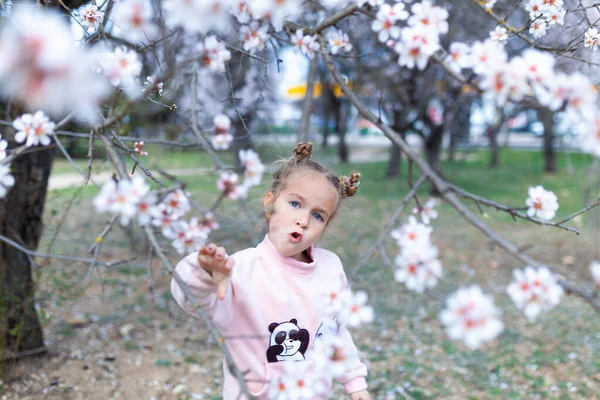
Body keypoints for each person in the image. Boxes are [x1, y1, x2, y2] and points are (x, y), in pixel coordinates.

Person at [171, 142, 372, 400]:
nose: (304, 220)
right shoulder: (241, 270)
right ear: (270, 205)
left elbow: (337, 332)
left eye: (318, 216)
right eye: (295, 204)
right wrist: (203, 274)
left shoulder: (331, 270)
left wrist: (355, 382)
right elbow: (190, 299)